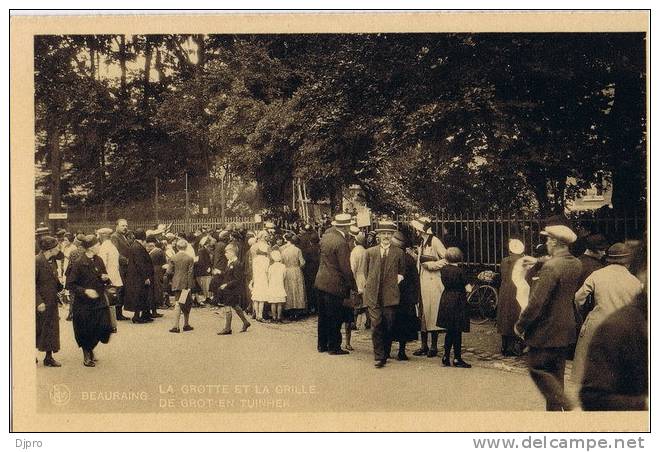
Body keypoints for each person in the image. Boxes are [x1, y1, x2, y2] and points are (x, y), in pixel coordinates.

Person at [515, 215, 582, 411]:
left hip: (546, 329)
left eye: (547, 240)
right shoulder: (575, 263)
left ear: (554, 242)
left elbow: (536, 302)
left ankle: (566, 405)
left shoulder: (551, 268)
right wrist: (537, 260)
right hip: (566, 327)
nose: (546, 243)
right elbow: (557, 262)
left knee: (536, 367)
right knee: (556, 375)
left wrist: (521, 325)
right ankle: (556, 418)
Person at [571, 242, 643, 385]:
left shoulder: (597, 275)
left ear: (608, 259)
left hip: (597, 322)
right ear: (627, 263)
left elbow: (578, 298)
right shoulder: (635, 282)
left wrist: (583, 315)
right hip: (621, 326)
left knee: (587, 363)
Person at [65, 235, 114, 367]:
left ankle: (91, 348)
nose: (99, 246)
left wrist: (105, 279)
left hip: (99, 301)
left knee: (103, 327)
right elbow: (70, 284)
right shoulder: (79, 263)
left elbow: (103, 275)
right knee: (86, 329)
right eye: (98, 245)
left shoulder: (99, 260)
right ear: (91, 248)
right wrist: (85, 291)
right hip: (84, 304)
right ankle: (87, 353)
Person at [363, 220, 406, 368]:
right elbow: (366, 272)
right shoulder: (370, 252)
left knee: (388, 324)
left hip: (390, 295)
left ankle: (386, 352)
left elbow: (402, 273)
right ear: (379, 236)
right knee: (376, 324)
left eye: (389, 233)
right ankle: (379, 356)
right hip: (373, 294)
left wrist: (394, 283)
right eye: (383, 234)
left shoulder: (399, 253)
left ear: (392, 235)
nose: (386, 236)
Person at [314, 213, 356, 355]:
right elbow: (345, 268)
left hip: (321, 281)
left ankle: (322, 344)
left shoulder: (326, 237)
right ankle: (334, 346)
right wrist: (353, 285)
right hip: (335, 284)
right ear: (345, 227)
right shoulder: (341, 242)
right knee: (335, 316)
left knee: (323, 315)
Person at [410, 216, 447, 358]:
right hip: (422, 281)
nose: (416, 231)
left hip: (432, 282)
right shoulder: (421, 242)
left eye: (417, 229)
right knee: (423, 314)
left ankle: (433, 346)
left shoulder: (435, 241)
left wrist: (432, 266)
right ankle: (423, 345)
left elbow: (447, 258)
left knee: (432, 313)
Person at [437, 247, 471, 368]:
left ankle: (445, 356)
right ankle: (457, 358)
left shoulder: (443, 269)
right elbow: (468, 288)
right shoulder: (460, 271)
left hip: (446, 298)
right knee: (457, 330)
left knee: (449, 330)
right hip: (458, 300)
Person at [390, 231, 420, 361]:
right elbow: (415, 279)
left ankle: (387, 350)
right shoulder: (409, 259)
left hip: (393, 296)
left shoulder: (391, 257)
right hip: (406, 298)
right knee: (404, 324)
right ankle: (401, 352)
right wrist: (415, 297)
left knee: (390, 323)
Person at [36, 236, 63, 367]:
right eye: (57, 246)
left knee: (51, 330)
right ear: (50, 249)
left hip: (51, 301)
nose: (59, 248)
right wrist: (38, 302)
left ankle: (48, 358)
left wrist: (60, 286)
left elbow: (53, 278)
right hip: (41, 303)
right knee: (37, 329)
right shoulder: (37, 261)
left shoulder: (52, 260)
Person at [497, 239, 526, 356]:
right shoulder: (523, 262)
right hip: (517, 290)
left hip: (505, 290)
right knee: (516, 316)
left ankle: (504, 346)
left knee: (504, 316)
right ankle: (514, 347)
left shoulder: (504, 261)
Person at [215, 245, 251, 334]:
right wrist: (220, 272)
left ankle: (227, 328)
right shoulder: (230, 262)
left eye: (226, 252)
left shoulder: (237, 264)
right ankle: (245, 322)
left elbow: (237, 279)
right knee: (235, 306)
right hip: (229, 288)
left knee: (227, 306)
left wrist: (226, 285)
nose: (225, 254)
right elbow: (228, 275)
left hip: (232, 289)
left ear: (232, 253)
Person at [124, 229, 154, 323]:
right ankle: (136, 317)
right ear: (143, 238)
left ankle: (144, 315)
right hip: (139, 277)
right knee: (139, 296)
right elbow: (140, 264)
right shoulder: (138, 247)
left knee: (142, 295)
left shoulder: (135, 246)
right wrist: (146, 277)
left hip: (136, 277)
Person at [97, 228, 123, 331]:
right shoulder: (112, 246)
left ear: (102, 236)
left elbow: (102, 264)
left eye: (99, 235)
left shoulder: (104, 247)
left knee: (106, 302)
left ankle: (108, 325)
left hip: (107, 278)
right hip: (114, 277)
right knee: (111, 302)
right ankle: (112, 325)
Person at [168, 239, 195, 333]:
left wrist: (173, 279)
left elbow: (169, 272)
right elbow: (190, 273)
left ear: (177, 247)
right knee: (186, 303)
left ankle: (176, 326)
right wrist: (190, 285)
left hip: (176, 283)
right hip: (186, 284)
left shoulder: (173, 258)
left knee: (178, 303)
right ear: (186, 247)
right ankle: (185, 324)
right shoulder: (190, 258)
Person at [281, 233, 307, 319]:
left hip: (287, 270)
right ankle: (297, 310)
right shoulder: (297, 250)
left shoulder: (284, 251)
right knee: (297, 289)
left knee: (289, 289)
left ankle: (289, 309)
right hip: (296, 270)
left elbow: (282, 262)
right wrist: (299, 266)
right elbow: (302, 262)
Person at [110, 219, 131, 321]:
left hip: (125, 267)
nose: (125, 227)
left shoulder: (123, 236)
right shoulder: (115, 237)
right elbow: (116, 253)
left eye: (126, 226)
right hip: (120, 267)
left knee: (123, 289)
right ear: (117, 226)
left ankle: (119, 312)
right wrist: (127, 261)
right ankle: (118, 313)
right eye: (122, 226)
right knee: (120, 289)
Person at [349, 229, 368, 330]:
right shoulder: (365, 251)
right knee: (365, 302)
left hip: (356, 278)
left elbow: (353, 268)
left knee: (356, 302)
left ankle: (354, 322)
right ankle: (368, 322)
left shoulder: (354, 252)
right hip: (364, 278)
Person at [145, 236, 166, 318]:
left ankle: (152, 311)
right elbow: (164, 262)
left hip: (153, 274)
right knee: (155, 292)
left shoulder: (152, 253)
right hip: (157, 273)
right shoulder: (159, 251)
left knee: (153, 292)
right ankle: (154, 311)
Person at [250, 242, 270, 322]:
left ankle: (256, 313)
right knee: (261, 298)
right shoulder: (266, 260)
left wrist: (253, 279)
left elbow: (253, 270)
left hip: (256, 277)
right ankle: (260, 315)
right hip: (263, 278)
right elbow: (266, 271)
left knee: (256, 297)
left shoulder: (255, 259)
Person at [302, 232, 321, 314]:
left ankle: (311, 307)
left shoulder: (308, 250)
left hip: (309, 271)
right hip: (318, 271)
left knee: (310, 289)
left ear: (310, 241)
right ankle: (318, 307)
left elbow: (304, 261)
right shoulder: (320, 249)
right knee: (318, 290)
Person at [267, 249, 287, 323]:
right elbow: (284, 276)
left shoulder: (271, 267)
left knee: (273, 302)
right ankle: (279, 317)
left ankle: (274, 317)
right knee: (279, 303)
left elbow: (268, 277)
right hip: (280, 284)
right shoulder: (283, 266)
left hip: (272, 285)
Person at [194, 238, 215, 306]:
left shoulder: (203, 250)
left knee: (205, 285)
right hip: (203, 271)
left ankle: (207, 297)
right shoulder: (202, 251)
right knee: (205, 285)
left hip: (204, 270)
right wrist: (207, 268)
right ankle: (207, 297)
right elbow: (202, 261)